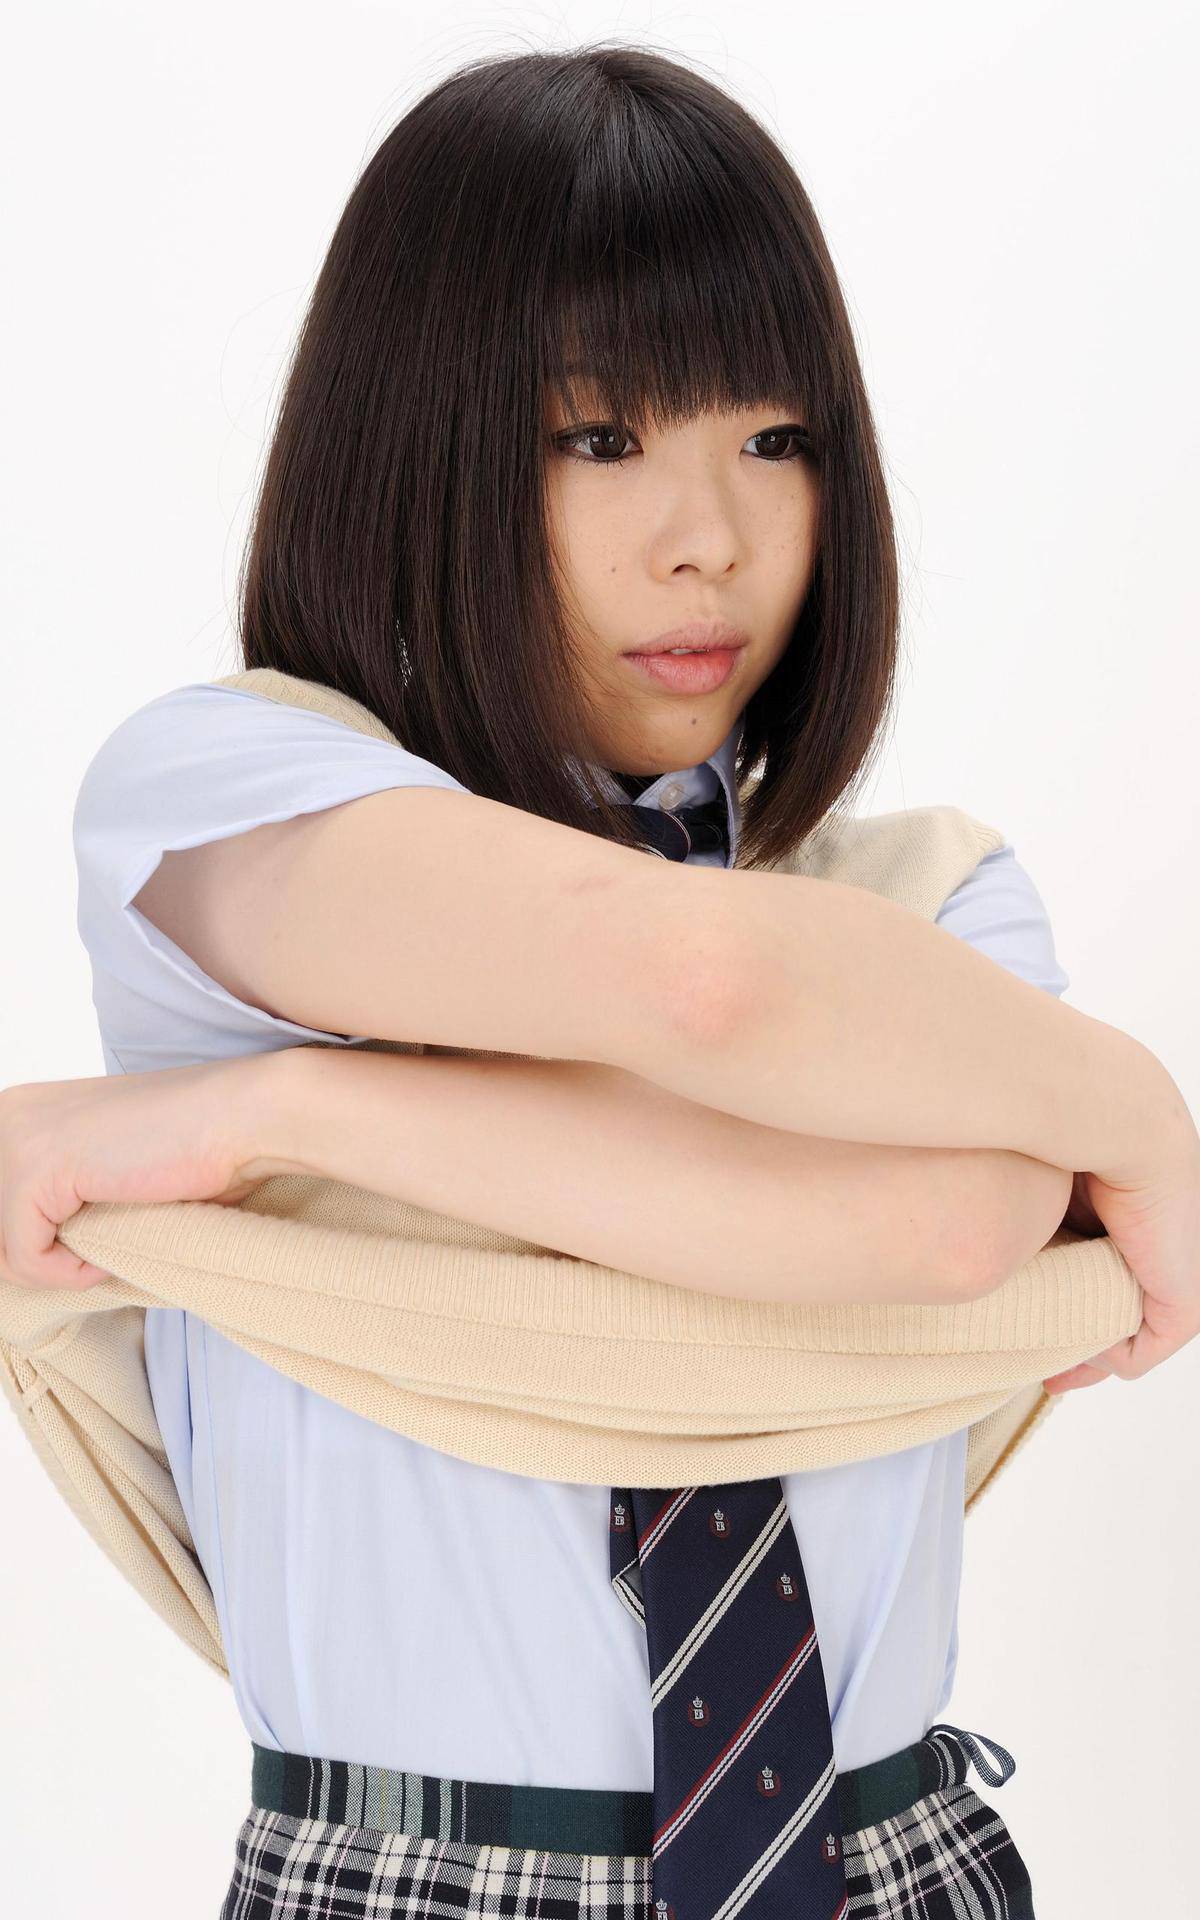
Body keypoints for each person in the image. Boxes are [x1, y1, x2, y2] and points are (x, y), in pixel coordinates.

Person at [4, 41, 1198, 1920]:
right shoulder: (224, 797)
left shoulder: (930, 897)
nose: (708, 537)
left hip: (896, 1863)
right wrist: (1120, 1110)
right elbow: (697, 984)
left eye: (775, 438)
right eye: (599, 438)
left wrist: (275, 1114)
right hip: (416, 1872)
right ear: (416, 447)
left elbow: (947, 1227)